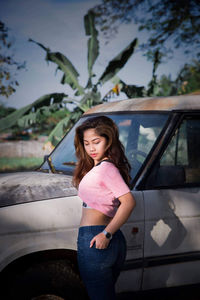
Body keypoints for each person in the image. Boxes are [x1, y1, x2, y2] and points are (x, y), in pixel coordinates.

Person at [73, 115, 136, 300]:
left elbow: (129, 202)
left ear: (108, 141)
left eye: (96, 142)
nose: (91, 148)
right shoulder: (101, 167)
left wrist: (106, 234)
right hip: (103, 238)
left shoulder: (107, 169)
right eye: (86, 143)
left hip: (97, 239)